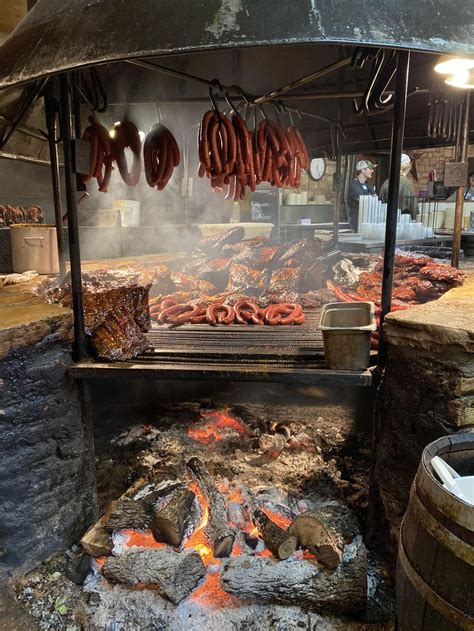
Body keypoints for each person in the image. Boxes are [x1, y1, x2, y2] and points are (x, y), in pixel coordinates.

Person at [379, 153, 418, 219]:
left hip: (387, 219)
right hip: (403, 219)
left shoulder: (385, 183)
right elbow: (413, 206)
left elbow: (380, 202)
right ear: (408, 167)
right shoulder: (407, 183)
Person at [347, 159, 377, 231]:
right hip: (357, 220)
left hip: (367, 219)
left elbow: (375, 200)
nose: (372, 171)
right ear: (363, 170)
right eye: (370, 168)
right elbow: (363, 200)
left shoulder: (369, 185)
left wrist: (370, 197)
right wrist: (370, 197)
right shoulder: (354, 185)